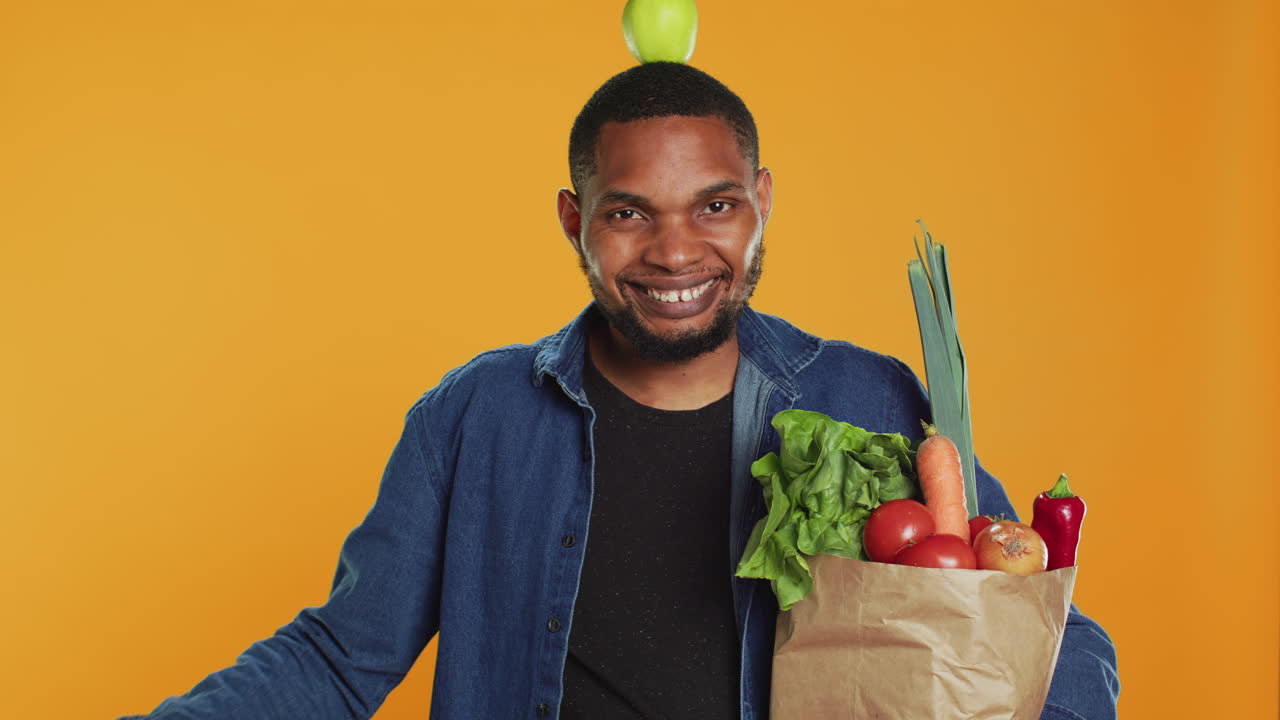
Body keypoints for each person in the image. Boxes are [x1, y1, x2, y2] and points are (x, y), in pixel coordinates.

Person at [124, 63, 1119, 720]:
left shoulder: (869, 399)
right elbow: (339, 661)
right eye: (628, 213)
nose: (676, 250)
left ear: (759, 202)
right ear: (573, 221)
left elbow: (1050, 639)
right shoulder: (473, 419)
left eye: (715, 206)